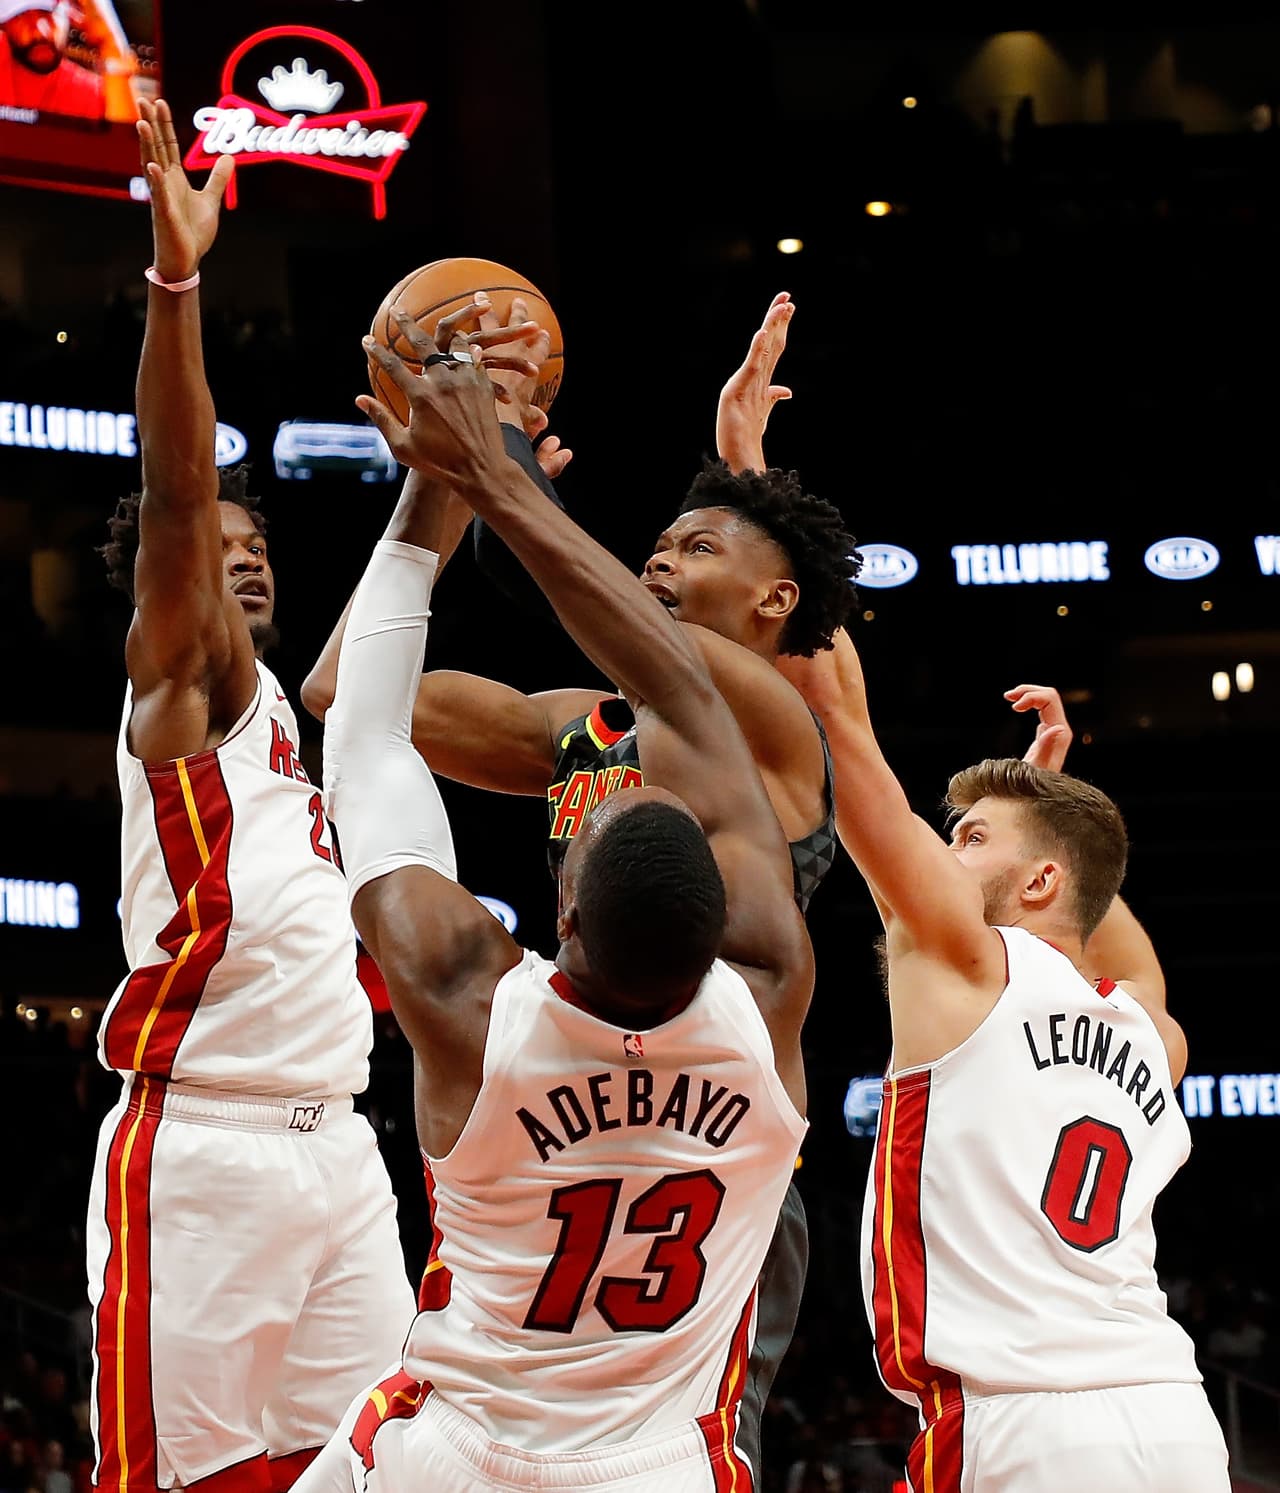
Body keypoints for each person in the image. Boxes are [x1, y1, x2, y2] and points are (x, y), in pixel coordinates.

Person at [300, 292, 856, 1475]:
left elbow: (630, 640)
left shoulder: (772, 714)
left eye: (699, 546)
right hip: (598, 1084)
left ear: (776, 604)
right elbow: (345, 694)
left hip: (697, 1138)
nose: (658, 555)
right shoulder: (579, 724)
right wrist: (445, 483)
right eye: (656, 541)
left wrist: (489, 452)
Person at [86, 98, 417, 1493]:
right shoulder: (183, 688)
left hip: (338, 1142)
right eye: (223, 546)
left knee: (392, 1463)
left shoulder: (287, 704)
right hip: (205, 1149)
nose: (249, 557)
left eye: (262, 538)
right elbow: (172, 492)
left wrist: (463, 479)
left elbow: (384, 631)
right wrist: (178, 286)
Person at [776, 629, 1232, 1490]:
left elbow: (839, 718)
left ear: (1039, 883)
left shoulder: (965, 966)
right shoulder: (1148, 1028)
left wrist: (766, 526)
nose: (947, 854)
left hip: (1019, 1422)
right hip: (1175, 1416)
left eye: (974, 837)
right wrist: (1050, 798)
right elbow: (1119, 943)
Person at [0, 0, 137, 122]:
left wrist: (110, 42)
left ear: (71, 17)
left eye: (48, 13)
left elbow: (126, 144)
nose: (41, 32)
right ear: (5, 24)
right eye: (21, 16)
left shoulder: (83, 92)